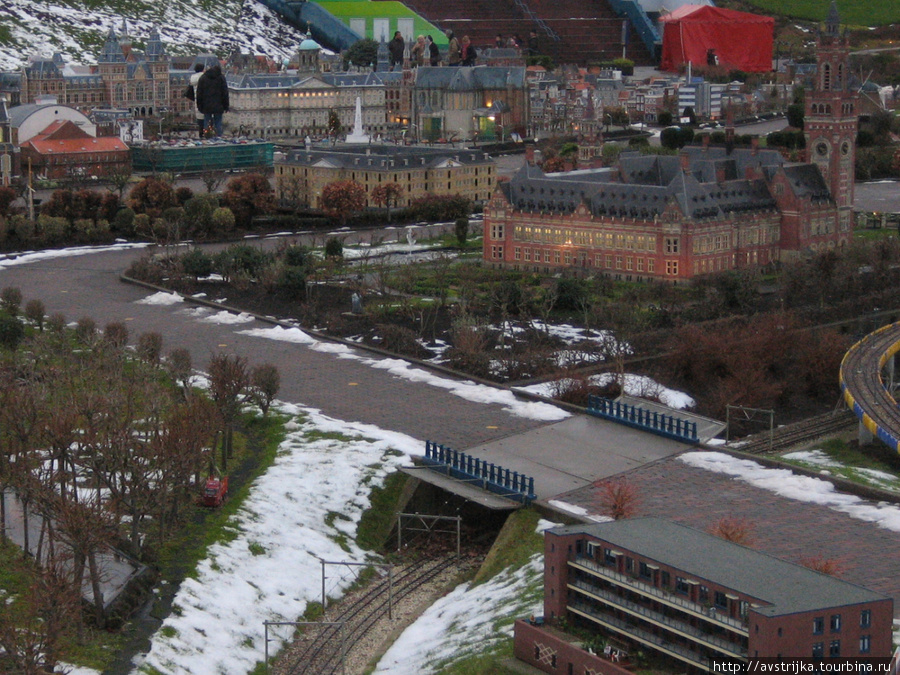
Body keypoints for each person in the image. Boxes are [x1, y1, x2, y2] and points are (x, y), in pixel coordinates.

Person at [196, 63, 229, 137]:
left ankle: (207, 137)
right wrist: (226, 106)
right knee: (218, 123)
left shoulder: (203, 78)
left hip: (206, 105)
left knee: (207, 122)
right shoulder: (221, 78)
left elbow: (199, 93)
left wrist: (199, 106)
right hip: (219, 105)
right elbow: (225, 93)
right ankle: (219, 139)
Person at [189, 63, 205, 139]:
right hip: (205, 101)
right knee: (207, 120)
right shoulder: (204, 77)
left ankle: (201, 134)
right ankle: (208, 135)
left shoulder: (192, 78)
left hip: (197, 101)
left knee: (200, 120)